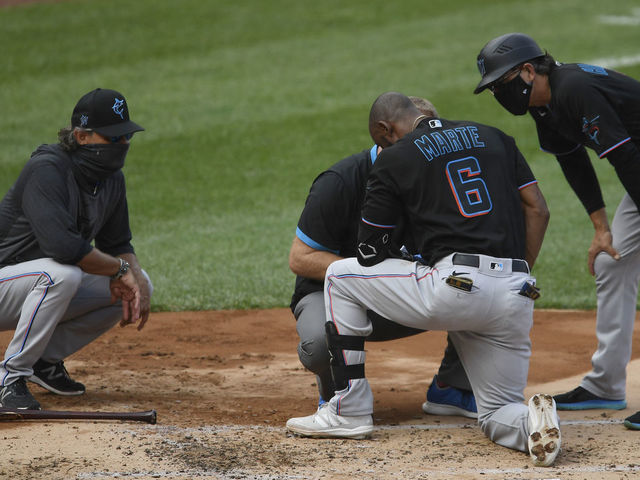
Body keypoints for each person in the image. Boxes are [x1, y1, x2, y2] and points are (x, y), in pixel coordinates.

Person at [287, 92, 559, 466]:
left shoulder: (398, 156)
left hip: (454, 287)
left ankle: (347, 410)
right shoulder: (496, 137)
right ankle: (532, 420)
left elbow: (368, 254)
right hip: (517, 290)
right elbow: (539, 210)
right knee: (496, 412)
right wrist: (518, 273)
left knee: (339, 274)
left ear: (385, 129)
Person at [473, 33, 640, 426]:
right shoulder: (542, 106)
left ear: (529, 70)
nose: (500, 93)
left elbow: (625, 158)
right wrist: (601, 227)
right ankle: (606, 385)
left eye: (502, 83)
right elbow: (573, 162)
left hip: (636, 165)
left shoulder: (575, 89)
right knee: (613, 263)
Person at [289, 96, 477, 419]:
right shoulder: (341, 182)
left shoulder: (440, 183)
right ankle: (336, 394)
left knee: (482, 286)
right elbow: (300, 258)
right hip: (330, 295)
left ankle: (452, 387)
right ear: (388, 135)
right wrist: (365, 277)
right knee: (320, 343)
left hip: (402, 298)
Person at [0, 88, 153, 410]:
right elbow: (63, 247)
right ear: (82, 136)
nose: (122, 145)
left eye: (126, 137)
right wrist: (120, 270)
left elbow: (117, 244)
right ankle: (9, 378)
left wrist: (134, 278)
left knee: (136, 283)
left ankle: (45, 360)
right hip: (7, 282)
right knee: (62, 274)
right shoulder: (47, 169)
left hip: (32, 286)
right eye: (113, 138)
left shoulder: (111, 179)